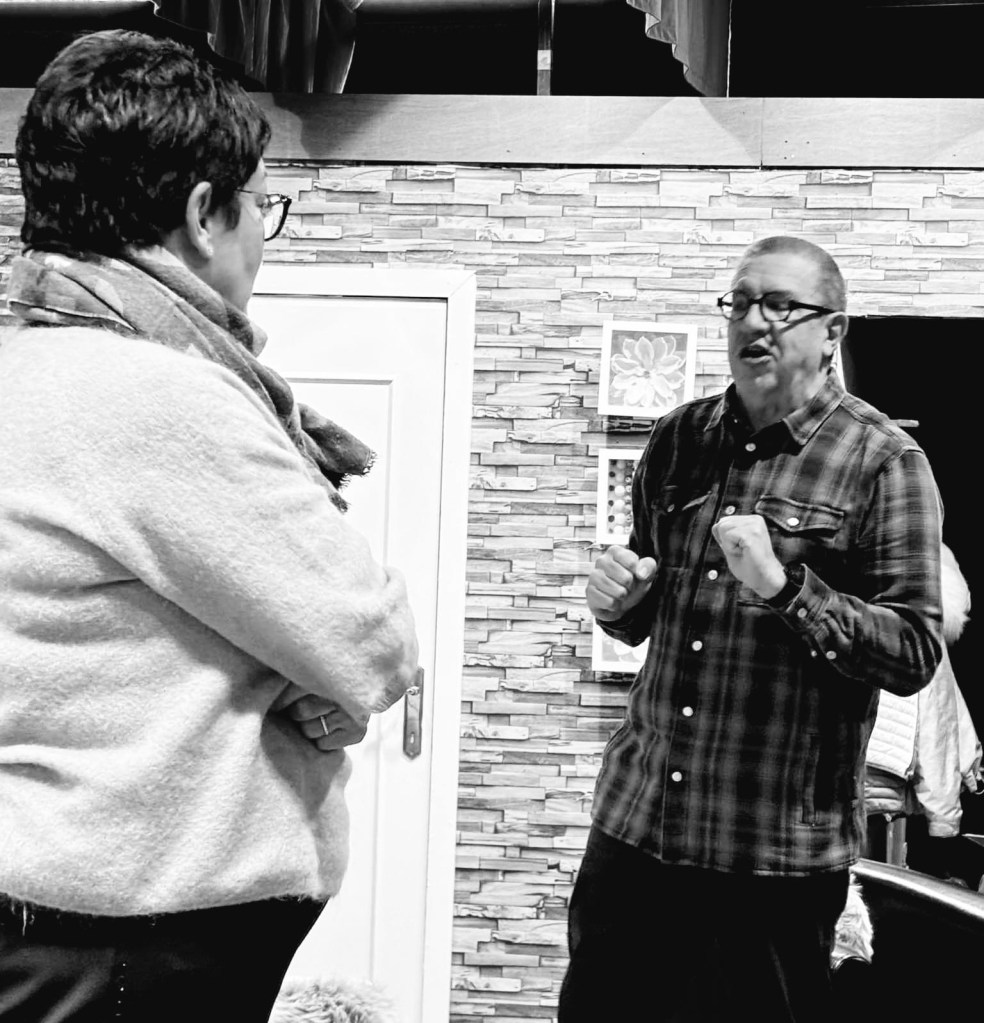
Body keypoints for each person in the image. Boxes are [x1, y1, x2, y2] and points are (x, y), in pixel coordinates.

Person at [0, 29, 419, 1023]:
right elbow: (370, 643)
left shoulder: (26, 365)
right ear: (201, 214)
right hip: (127, 943)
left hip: (60, 914)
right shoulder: (156, 394)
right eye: (264, 205)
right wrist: (302, 673)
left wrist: (292, 666)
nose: (264, 235)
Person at [560, 236, 944, 1022]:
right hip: (635, 831)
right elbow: (648, 609)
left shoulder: (884, 460)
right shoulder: (679, 437)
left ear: (832, 331)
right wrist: (618, 600)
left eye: (779, 305)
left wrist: (786, 586)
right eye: (740, 301)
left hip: (771, 858)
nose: (753, 321)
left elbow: (913, 649)